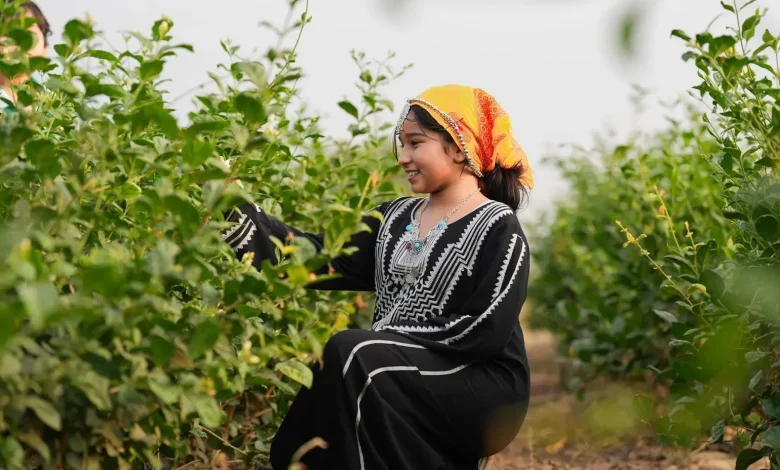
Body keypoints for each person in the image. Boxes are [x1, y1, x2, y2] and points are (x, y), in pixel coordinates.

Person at [223, 84, 535, 470]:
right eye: (401, 144)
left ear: (458, 146)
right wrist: (232, 206)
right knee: (353, 358)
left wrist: (384, 341)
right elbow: (315, 258)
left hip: (482, 386)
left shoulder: (498, 226)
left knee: (353, 352)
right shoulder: (393, 218)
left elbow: (485, 330)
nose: (403, 157)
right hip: (393, 370)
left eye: (415, 143)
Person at [1, 1, 51, 113]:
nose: (20, 42)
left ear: (45, 48)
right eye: (9, 33)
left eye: (28, 33)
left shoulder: (52, 107)